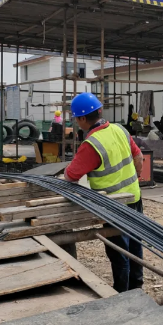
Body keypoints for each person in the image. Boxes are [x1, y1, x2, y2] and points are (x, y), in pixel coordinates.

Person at [64, 93, 145, 292]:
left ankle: (122, 292)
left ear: (83, 118)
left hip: (113, 205)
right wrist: (135, 178)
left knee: (119, 252)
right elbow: (139, 157)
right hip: (134, 197)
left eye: (76, 118)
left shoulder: (92, 144)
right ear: (99, 111)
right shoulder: (119, 129)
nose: (76, 122)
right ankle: (137, 286)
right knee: (135, 244)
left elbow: (71, 175)